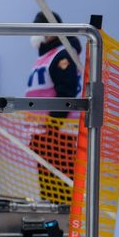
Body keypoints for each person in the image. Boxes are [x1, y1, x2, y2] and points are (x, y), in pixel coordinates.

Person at [26, 11, 82, 204]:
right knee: (49, 194)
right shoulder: (45, 56)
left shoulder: (62, 54)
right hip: (42, 136)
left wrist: (52, 127)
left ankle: (67, 232)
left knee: (62, 192)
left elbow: (66, 93)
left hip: (58, 135)